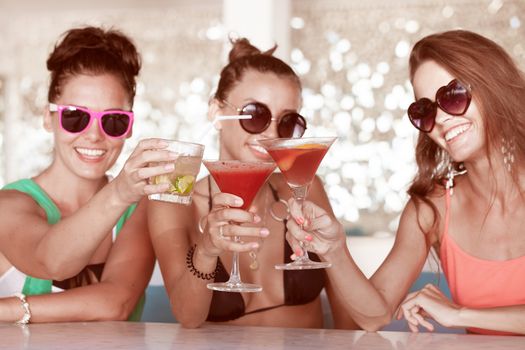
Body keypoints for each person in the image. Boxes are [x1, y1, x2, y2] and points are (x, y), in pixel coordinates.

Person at [285, 29, 525, 335]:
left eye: (452, 95)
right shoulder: (431, 210)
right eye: (425, 110)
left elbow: (459, 316)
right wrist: (334, 249)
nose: (439, 119)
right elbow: (375, 315)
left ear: (493, 87)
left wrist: (462, 315)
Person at [148, 38, 355, 329]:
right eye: (255, 115)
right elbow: (188, 315)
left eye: (287, 122)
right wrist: (207, 249)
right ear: (216, 112)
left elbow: (346, 310)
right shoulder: (173, 199)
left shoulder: (302, 187)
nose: (270, 133)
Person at [0, 26, 175, 323]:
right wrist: (119, 191)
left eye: (114, 121)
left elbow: (115, 303)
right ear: (48, 118)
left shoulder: (138, 209)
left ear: (129, 127)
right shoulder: (10, 205)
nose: (94, 135)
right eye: (75, 117)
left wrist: (7, 309)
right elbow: (52, 260)